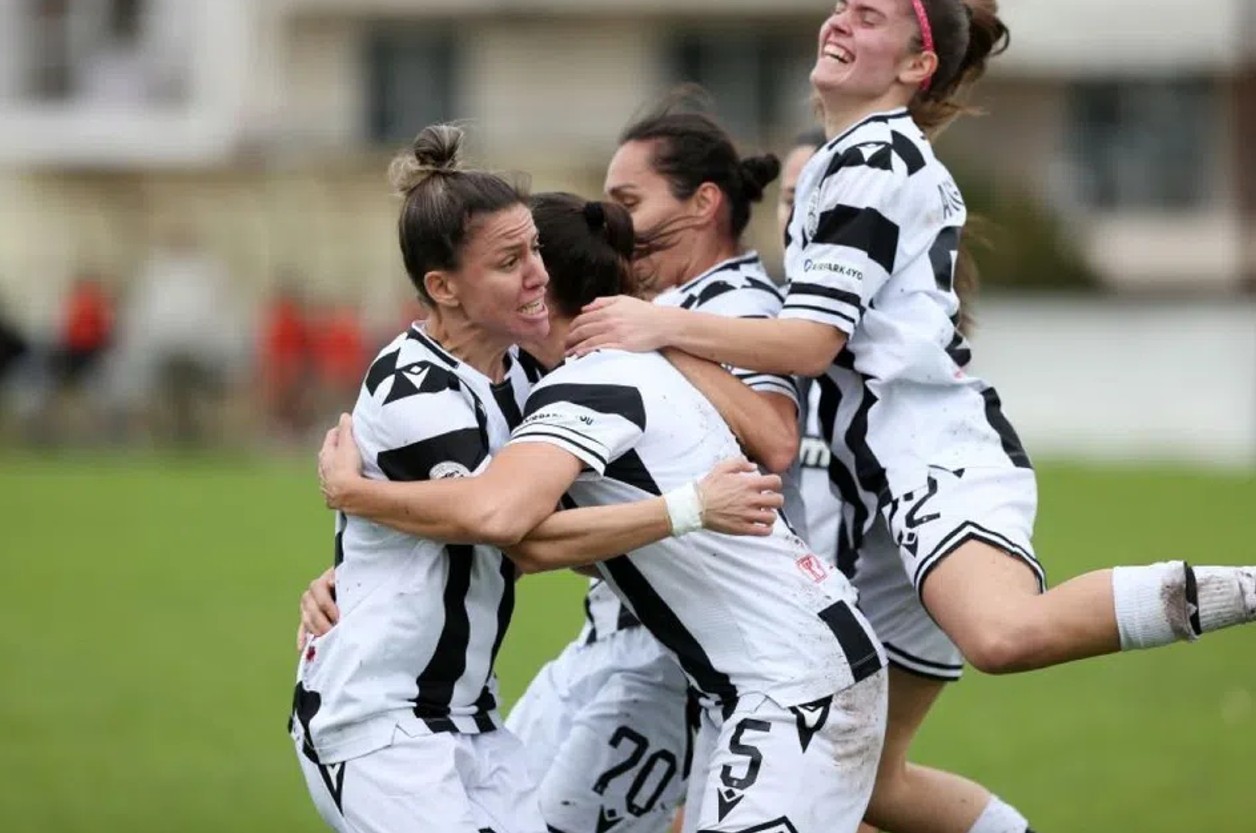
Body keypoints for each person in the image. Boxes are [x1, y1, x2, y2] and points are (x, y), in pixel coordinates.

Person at [565, 1, 1256, 830]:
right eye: (841, 6)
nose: (840, 21)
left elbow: (811, 343)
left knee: (1002, 635)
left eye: (870, 15)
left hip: (933, 453)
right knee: (870, 780)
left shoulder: (875, 160)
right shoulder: (844, 160)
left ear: (914, 65)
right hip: (877, 494)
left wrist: (659, 326)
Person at [315, 189, 890, 833]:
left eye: (533, 254)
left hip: (793, 678)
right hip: (774, 669)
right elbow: (538, 536)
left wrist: (356, 496)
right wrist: (359, 567)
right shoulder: (597, 372)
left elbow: (512, 529)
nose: (529, 274)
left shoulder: (588, 385)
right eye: (510, 260)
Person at [781, 126, 1029, 833]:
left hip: (871, 599)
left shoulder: (887, 358)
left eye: (815, 201)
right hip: (798, 617)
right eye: (791, 200)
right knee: (848, 791)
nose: (799, 215)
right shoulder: (765, 321)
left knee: (840, 784)